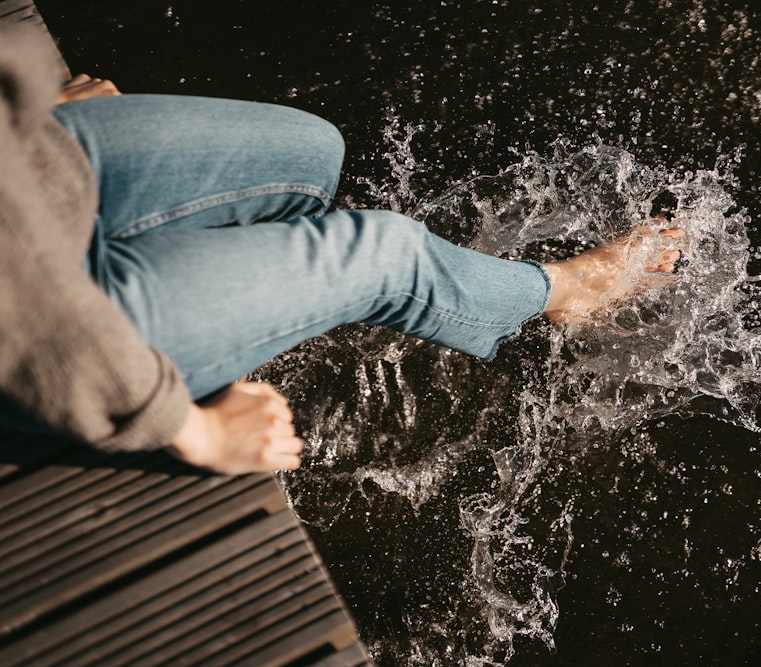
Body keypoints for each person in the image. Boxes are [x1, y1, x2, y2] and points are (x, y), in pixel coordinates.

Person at [0, 27, 681, 475]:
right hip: (44, 314)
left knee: (311, 156)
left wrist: (21, 114)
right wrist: (193, 427)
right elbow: (34, 319)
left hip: (27, 173)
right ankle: (566, 291)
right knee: (386, 253)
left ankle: (230, 309)